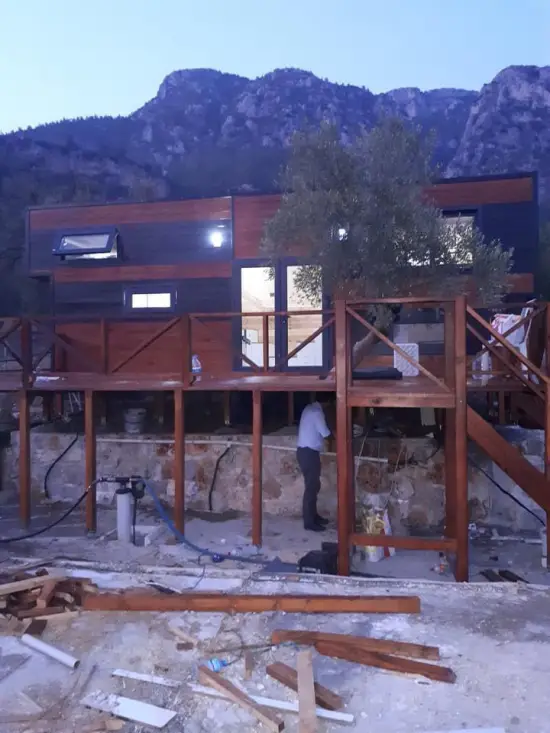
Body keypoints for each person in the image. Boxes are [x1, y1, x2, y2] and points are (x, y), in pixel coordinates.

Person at [296, 400, 331, 532]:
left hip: (305, 452)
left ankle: (313, 516)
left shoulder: (308, 408)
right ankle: (309, 522)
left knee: (313, 486)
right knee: (311, 487)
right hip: (309, 453)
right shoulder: (317, 413)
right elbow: (325, 433)